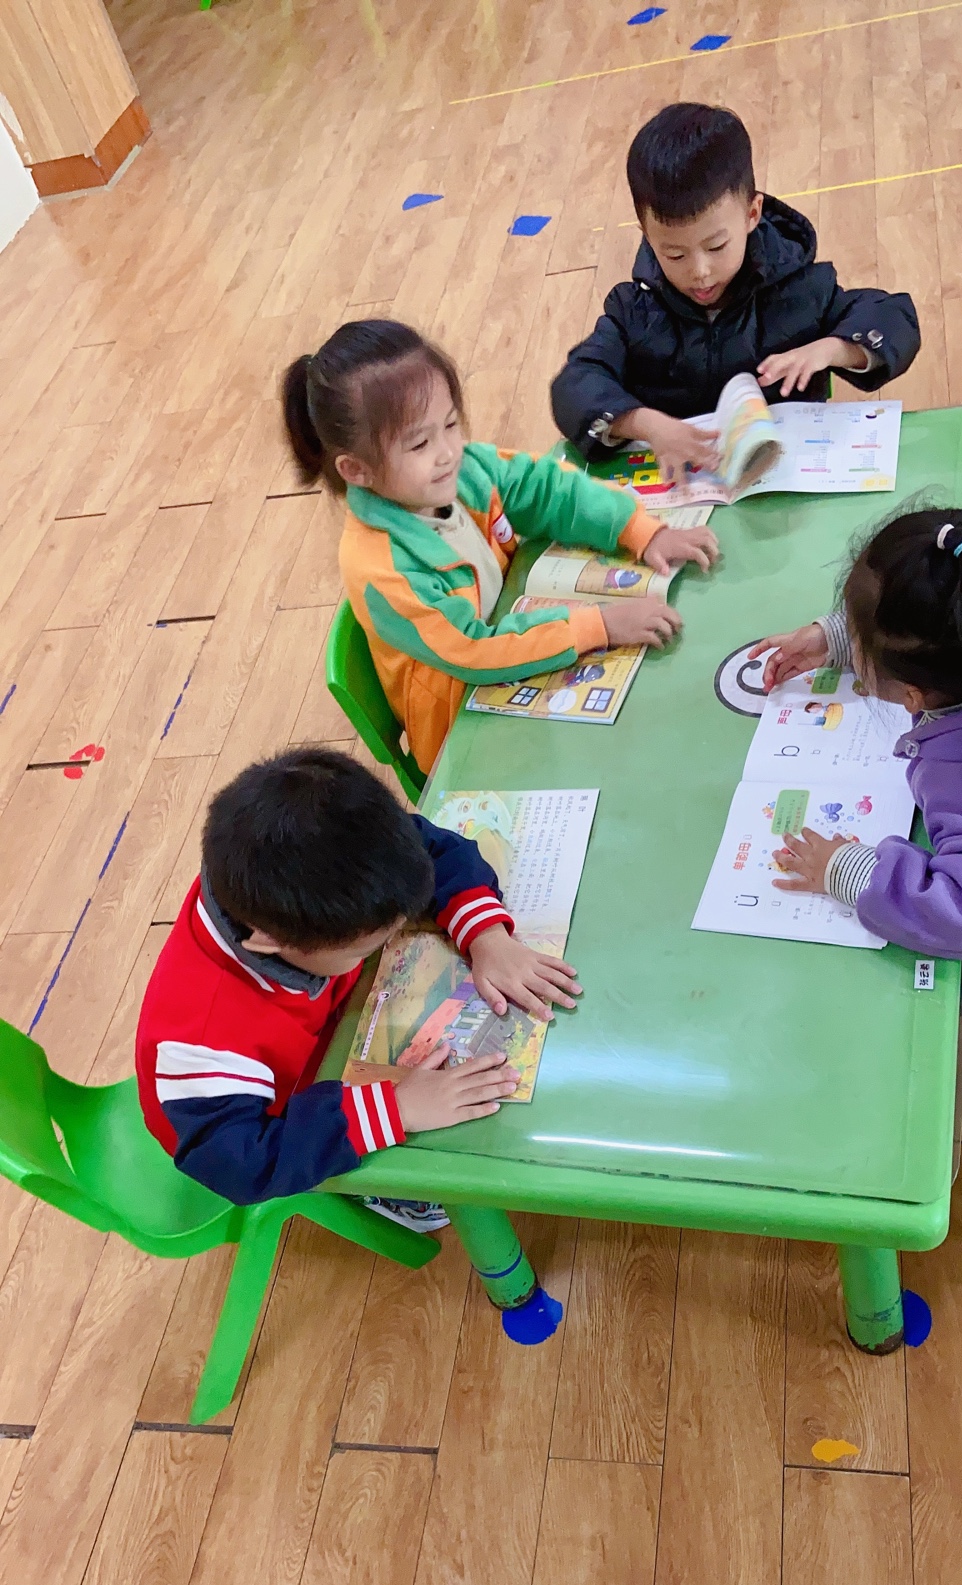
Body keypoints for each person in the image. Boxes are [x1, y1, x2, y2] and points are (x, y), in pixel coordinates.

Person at [136, 748, 583, 1214]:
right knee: (440, 1156)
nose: (388, 938)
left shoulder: (332, 853)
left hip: (332, 1029)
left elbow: (429, 848)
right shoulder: (204, 1043)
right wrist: (396, 1109)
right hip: (277, 1117)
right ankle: (379, 1195)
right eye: (364, 948)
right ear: (270, 942)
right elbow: (245, 1164)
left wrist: (486, 936)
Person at [282, 319, 718, 773]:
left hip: (522, 641)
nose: (448, 451)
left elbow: (545, 488)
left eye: (450, 424)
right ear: (356, 470)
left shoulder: (462, 470)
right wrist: (600, 625)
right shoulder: (380, 567)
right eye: (420, 443)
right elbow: (474, 649)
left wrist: (639, 530)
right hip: (464, 726)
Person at [752, 510, 962, 1017]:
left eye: (859, 642)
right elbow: (960, 626)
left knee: (884, 993)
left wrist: (853, 872)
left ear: (912, 694)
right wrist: (847, 640)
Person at [550, 102, 920, 470]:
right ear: (646, 235)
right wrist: (643, 423)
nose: (700, 272)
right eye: (674, 254)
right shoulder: (633, 312)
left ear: (751, 214)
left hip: (783, 477)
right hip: (686, 487)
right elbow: (574, 384)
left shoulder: (801, 290)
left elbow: (895, 318)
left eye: (716, 247)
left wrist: (832, 349)